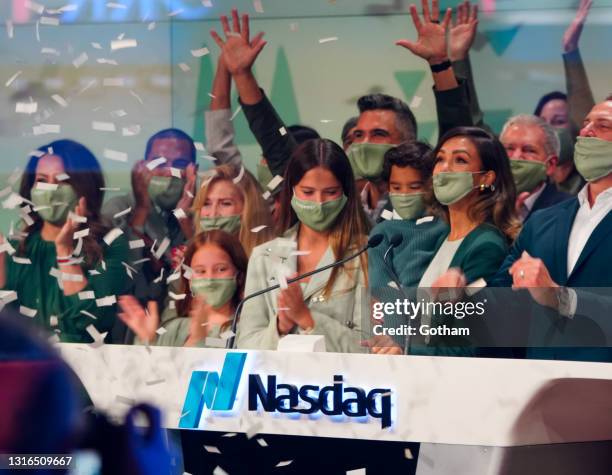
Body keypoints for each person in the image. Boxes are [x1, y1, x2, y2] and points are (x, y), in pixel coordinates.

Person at [486, 98, 612, 361]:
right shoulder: (543, 221)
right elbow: (500, 298)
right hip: (541, 383)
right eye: (586, 123)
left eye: (603, 125)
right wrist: (462, 290)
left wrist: (561, 298)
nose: (586, 131)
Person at [235, 139, 370, 353]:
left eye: (331, 192)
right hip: (277, 384)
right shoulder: (264, 256)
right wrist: (280, 326)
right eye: (308, 192)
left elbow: (372, 347)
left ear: (346, 193)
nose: (319, 202)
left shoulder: (367, 254)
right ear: (291, 191)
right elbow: (245, 345)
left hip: (341, 384)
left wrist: (308, 319)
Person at [0, 140, 129, 343]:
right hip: (26, 368)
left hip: (86, 370)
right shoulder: (15, 249)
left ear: (85, 188)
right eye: (42, 180)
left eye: (62, 180)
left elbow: (87, 324)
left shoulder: (111, 243)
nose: (51, 189)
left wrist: (65, 251)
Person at [102, 128, 198, 307]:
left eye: (179, 164)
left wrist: (187, 223)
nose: (169, 172)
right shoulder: (118, 210)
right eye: (159, 163)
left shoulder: (206, 211)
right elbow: (116, 279)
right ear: (142, 168)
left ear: (194, 170)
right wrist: (142, 209)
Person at [118, 230, 247, 348]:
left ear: (239, 276)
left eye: (221, 269)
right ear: (189, 280)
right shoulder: (175, 328)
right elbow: (148, 371)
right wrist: (147, 341)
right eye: (200, 271)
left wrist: (199, 340)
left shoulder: (246, 332)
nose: (209, 279)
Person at [368, 142, 448, 291]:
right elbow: (381, 287)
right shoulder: (381, 233)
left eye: (414, 187)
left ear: (431, 184)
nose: (404, 194)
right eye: (396, 187)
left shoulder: (445, 225)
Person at [192, 164, 276, 257]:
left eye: (225, 203)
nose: (213, 214)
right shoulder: (192, 260)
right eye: (206, 204)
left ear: (249, 208)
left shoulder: (273, 258)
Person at [500, 115, 571, 221]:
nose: (516, 156)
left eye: (529, 150)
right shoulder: (482, 204)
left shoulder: (567, 210)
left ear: (550, 165)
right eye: (509, 148)